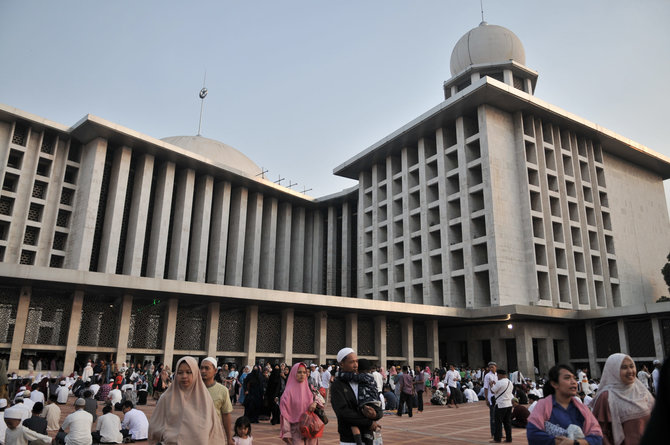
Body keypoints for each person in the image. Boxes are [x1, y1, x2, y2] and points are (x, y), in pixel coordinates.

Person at [148, 356, 225, 445]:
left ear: (196, 373)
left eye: (189, 372)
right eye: (180, 372)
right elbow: (154, 427)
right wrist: (169, 435)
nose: (184, 376)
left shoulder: (205, 399)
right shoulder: (167, 397)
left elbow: (214, 432)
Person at [527, 364, 603, 445]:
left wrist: (575, 443)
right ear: (554, 384)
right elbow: (533, 434)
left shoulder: (582, 409)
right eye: (567, 378)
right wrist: (557, 441)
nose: (573, 382)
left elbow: (597, 437)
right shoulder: (543, 406)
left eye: (574, 378)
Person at [590, 353, 654, 445]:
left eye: (632, 366)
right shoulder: (607, 396)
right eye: (624, 367)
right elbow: (600, 432)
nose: (630, 371)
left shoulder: (641, 390)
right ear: (613, 370)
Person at [331, 347, 382, 445]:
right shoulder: (338, 385)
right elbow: (343, 412)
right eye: (351, 362)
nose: (355, 365)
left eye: (356, 362)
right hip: (349, 438)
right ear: (341, 364)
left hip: (368, 435)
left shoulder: (364, 380)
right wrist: (369, 422)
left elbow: (377, 402)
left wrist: (376, 414)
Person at [279, 362, 323, 445]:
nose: (302, 375)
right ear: (293, 374)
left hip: (310, 427)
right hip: (296, 430)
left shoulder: (310, 388)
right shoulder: (287, 393)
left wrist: (314, 403)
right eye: (299, 372)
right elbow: (284, 414)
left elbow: (320, 401)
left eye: (304, 372)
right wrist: (287, 433)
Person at [200, 357, 234, 445]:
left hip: (214, 435)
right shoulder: (192, 389)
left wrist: (229, 438)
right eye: (201, 368)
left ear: (215, 371)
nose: (203, 371)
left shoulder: (222, 390)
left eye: (207, 368)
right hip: (195, 435)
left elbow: (226, 415)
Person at [491, 369, 514, 443]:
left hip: (501, 405)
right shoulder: (510, 382)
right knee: (507, 422)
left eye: (497, 375)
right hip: (509, 404)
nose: (497, 376)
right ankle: (509, 438)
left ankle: (497, 439)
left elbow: (492, 391)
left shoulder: (500, 382)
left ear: (500, 375)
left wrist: (491, 385)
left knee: (498, 422)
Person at [484, 361, 498, 437]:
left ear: (496, 367)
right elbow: (486, 388)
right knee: (493, 416)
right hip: (491, 397)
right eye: (490, 367)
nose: (491, 368)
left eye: (492, 367)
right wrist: (486, 399)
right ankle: (493, 433)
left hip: (498, 397)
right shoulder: (487, 376)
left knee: (498, 416)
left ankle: (499, 432)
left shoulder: (497, 375)